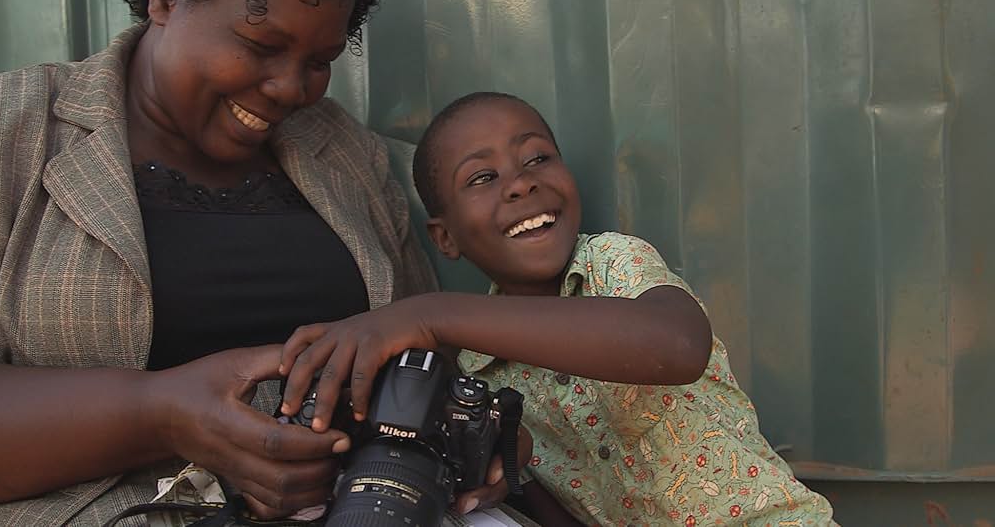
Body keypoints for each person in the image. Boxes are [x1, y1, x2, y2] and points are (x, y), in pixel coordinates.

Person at [0, 0, 438, 525]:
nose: (288, 89)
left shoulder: (345, 151)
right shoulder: (12, 127)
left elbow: (422, 348)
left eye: (319, 62)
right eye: (260, 44)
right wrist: (161, 416)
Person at [277, 92, 838, 526]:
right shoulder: (478, 378)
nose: (521, 184)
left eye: (537, 157)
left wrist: (429, 314)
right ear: (444, 238)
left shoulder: (614, 264)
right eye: (483, 177)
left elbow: (678, 348)